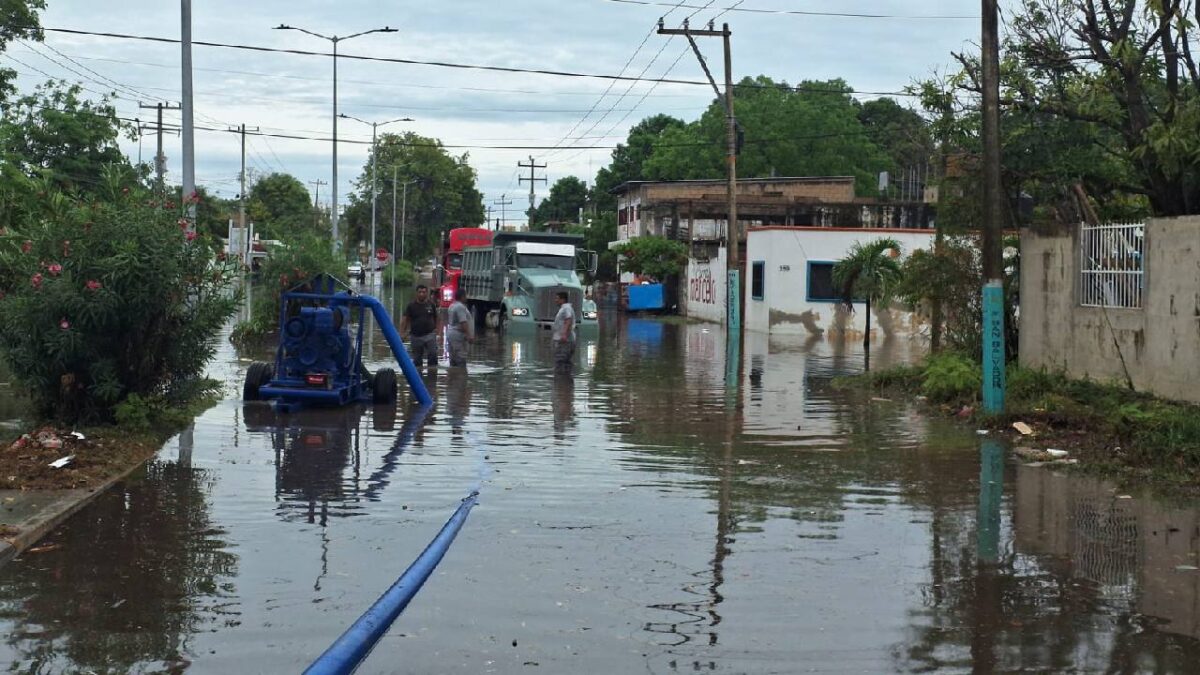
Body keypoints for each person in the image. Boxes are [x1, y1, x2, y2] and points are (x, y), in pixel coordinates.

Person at [399, 284, 439, 370]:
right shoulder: (411, 306)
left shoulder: (431, 304)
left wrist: (436, 330)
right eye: (420, 292)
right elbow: (404, 320)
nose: (422, 294)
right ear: (416, 293)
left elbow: (436, 317)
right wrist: (401, 334)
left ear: (427, 293)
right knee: (417, 360)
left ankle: (432, 375)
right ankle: (418, 376)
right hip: (416, 336)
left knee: (433, 355)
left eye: (424, 292)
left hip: (430, 335)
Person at [446, 289, 474, 369]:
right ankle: (461, 375)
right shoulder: (460, 307)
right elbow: (463, 322)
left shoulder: (452, 305)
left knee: (453, 360)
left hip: (451, 333)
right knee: (461, 360)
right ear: (462, 297)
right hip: (458, 335)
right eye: (465, 296)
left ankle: (452, 375)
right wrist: (469, 336)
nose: (466, 297)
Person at [551, 291, 576, 373]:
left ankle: (562, 379)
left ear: (563, 300)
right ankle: (566, 379)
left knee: (560, 362)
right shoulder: (565, 308)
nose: (555, 300)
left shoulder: (566, 308)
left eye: (557, 298)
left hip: (565, 341)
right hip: (566, 340)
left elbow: (568, 319)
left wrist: (564, 334)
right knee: (565, 363)